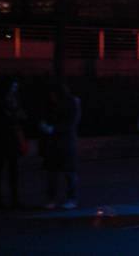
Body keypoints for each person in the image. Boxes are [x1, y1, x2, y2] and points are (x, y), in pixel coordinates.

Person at [41, 82, 81, 210]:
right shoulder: (55, 104)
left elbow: (71, 122)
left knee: (68, 172)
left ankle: (70, 199)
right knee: (53, 173)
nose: (52, 97)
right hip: (56, 141)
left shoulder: (71, 103)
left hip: (65, 141)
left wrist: (53, 129)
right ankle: (53, 199)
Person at [0, 79, 26, 209]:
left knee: (10, 169)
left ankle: (12, 199)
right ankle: (1, 199)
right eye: (13, 87)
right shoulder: (1, 103)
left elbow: (20, 115)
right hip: (3, 138)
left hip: (10, 138)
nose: (15, 90)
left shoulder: (13, 101)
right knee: (1, 169)